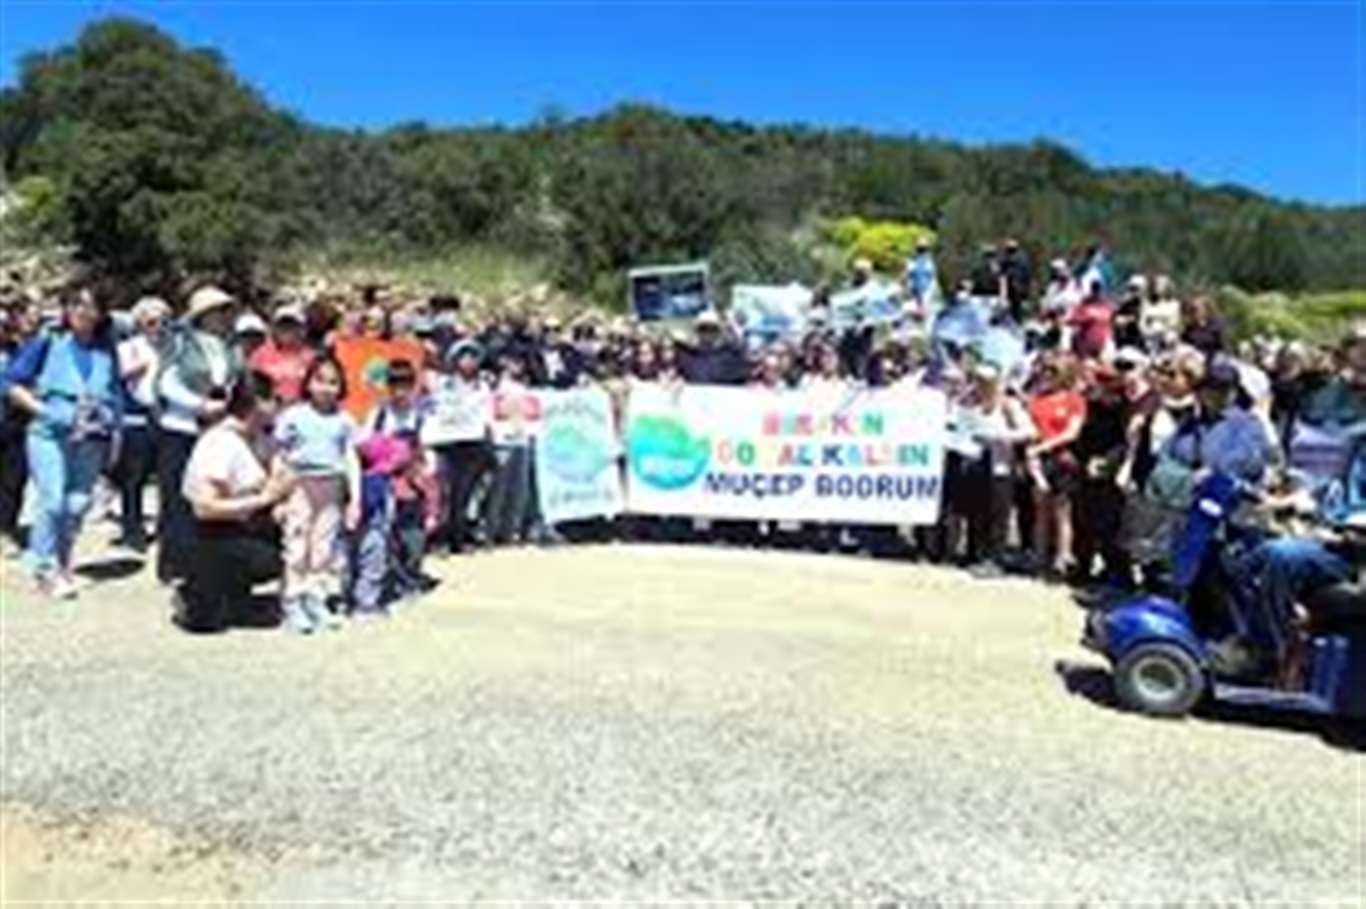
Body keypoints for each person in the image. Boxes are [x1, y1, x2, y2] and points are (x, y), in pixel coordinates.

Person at [3, 284, 123, 598]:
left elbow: (116, 391)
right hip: (49, 434)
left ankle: (64, 560)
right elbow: (11, 383)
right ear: (67, 310)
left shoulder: (106, 350)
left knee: (78, 502)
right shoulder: (48, 342)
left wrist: (114, 426)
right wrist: (43, 410)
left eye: (91, 306)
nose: (84, 312)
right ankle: (44, 567)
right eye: (77, 305)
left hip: (93, 435)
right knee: (53, 501)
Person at [176, 371, 293, 633]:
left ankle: (236, 595)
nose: (279, 405)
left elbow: (283, 475)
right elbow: (204, 508)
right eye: (274, 399)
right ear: (256, 403)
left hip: (243, 525)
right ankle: (195, 592)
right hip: (209, 532)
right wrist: (263, 499)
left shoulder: (260, 439)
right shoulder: (219, 442)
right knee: (207, 623)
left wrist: (278, 496)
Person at [156, 285, 239, 586]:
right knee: (176, 496)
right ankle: (173, 562)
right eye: (216, 311)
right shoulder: (180, 343)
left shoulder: (230, 346)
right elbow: (166, 382)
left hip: (214, 428)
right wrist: (199, 405)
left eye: (224, 311)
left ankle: (201, 560)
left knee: (206, 494)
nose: (222, 316)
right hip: (181, 426)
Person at [272, 356, 361, 633]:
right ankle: (292, 601)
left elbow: (350, 458)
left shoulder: (344, 420)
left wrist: (355, 499)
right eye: (320, 380)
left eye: (333, 382)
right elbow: (280, 456)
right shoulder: (293, 416)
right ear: (308, 383)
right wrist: (278, 497)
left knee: (323, 547)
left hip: (331, 484)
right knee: (297, 543)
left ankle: (316, 597)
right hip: (300, 483)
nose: (326, 388)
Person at [955, 362, 1034, 577]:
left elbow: (1029, 432)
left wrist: (999, 437)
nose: (982, 385)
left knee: (997, 514)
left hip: (1000, 466)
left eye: (987, 381)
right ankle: (977, 554)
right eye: (979, 380)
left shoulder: (1009, 405)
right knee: (976, 512)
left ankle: (995, 558)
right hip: (974, 464)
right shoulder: (970, 403)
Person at [111, 295, 170, 552]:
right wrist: (136, 368)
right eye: (151, 321)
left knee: (168, 475)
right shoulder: (129, 347)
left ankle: (167, 528)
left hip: (167, 415)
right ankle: (132, 529)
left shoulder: (173, 347)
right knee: (134, 476)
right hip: (138, 416)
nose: (157, 326)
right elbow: (117, 377)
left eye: (162, 320)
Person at [423, 339, 492, 554]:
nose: (469, 361)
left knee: (463, 493)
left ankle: (457, 538)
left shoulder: (483, 386)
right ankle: (438, 537)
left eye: (473, 357)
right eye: (464, 356)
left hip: (472, 442)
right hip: (445, 442)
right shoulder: (442, 383)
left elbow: (487, 412)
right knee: (443, 491)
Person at [1025, 352, 1087, 578]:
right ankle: (1039, 557)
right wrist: (1032, 454)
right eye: (1045, 370)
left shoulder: (1074, 400)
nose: (1047, 375)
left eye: (1054, 371)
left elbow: (1072, 432)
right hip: (1037, 459)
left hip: (1062, 459)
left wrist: (1043, 447)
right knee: (1040, 510)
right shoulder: (1036, 400)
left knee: (1063, 511)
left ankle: (1063, 558)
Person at [248, 303, 316, 404]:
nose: (287, 329)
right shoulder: (260, 354)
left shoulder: (311, 357)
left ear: (302, 328)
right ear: (274, 328)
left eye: (292, 325)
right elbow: (250, 387)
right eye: (282, 325)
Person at [1066, 280, 1114, 360]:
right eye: (1095, 289)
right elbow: (1072, 320)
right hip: (1085, 342)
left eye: (1098, 290)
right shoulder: (1085, 303)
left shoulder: (1107, 306)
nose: (1096, 292)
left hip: (1099, 344)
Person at [998, 239, 1032, 323]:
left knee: (1014, 311)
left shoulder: (1015, 259)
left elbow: (1026, 276)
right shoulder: (1023, 259)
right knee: (1014, 311)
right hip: (1015, 290)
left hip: (1014, 290)